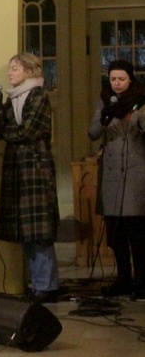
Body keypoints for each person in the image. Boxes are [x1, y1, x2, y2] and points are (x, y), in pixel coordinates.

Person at [0, 52, 61, 303]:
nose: (9, 73)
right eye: (10, 69)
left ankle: (47, 287)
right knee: (26, 231)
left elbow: (28, 130)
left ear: (29, 71)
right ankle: (37, 283)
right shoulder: (13, 99)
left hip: (34, 168)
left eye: (15, 69)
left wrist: (8, 131)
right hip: (17, 168)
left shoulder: (38, 95)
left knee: (38, 232)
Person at [88, 59, 145, 300]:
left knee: (138, 234)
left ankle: (142, 283)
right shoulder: (105, 101)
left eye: (121, 79)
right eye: (113, 79)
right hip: (112, 176)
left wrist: (138, 117)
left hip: (135, 172)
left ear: (130, 79)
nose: (117, 83)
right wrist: (104, 117)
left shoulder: (141, 100)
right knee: (117, 233)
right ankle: (123, 279)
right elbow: (92, 133)